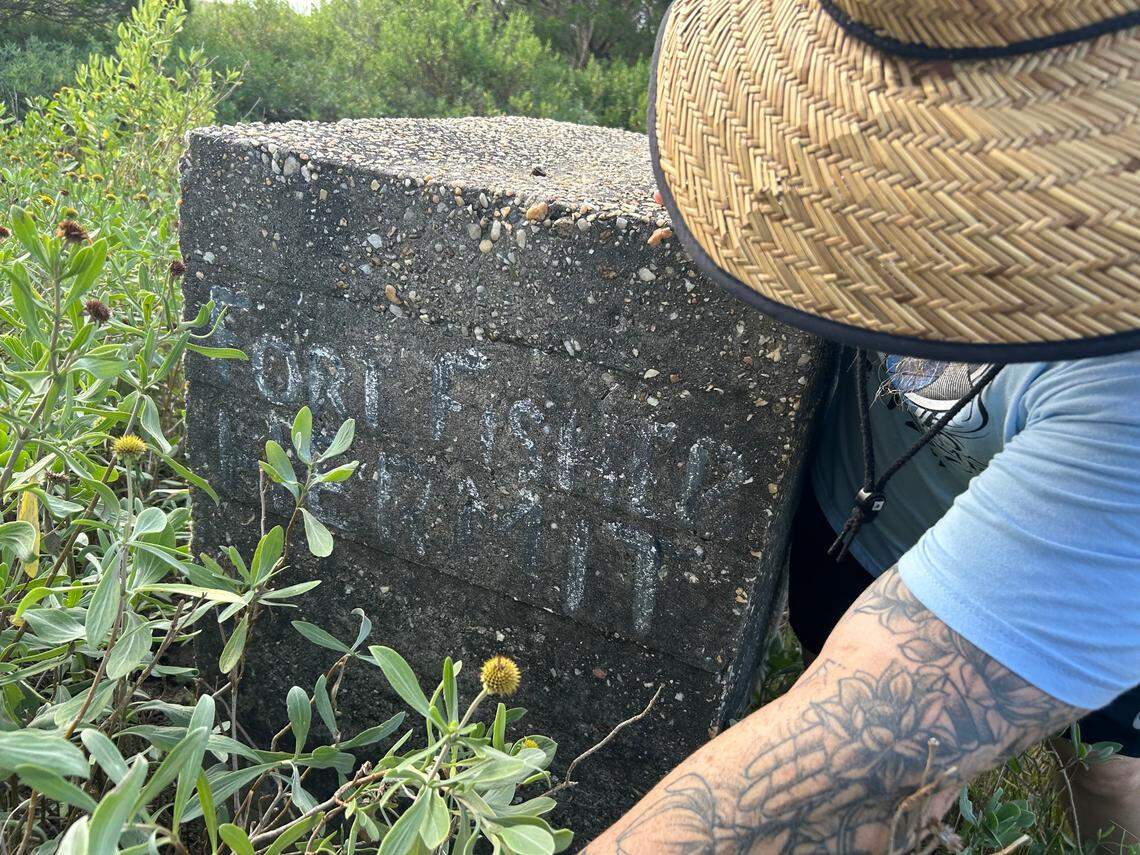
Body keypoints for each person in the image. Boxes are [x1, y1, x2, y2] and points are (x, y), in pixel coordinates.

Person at [587, 0, 1140, 851]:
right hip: (856, 521)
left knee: (1105, 767)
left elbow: (853, 761)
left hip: (1088, 582)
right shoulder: (864, 182)